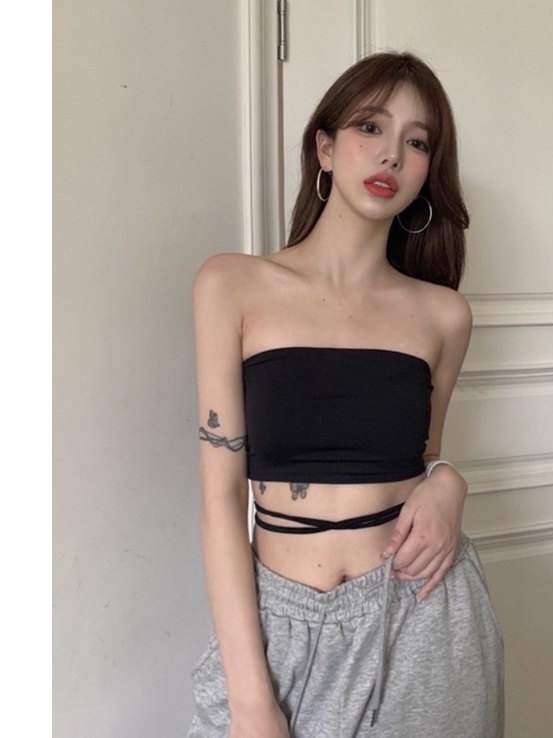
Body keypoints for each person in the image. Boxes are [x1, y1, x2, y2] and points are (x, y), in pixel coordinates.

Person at [187, 51, 504, 738]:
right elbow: (220, 498)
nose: (392, 153)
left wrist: (450, 482)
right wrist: (251, 701)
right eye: (370, 126)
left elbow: (424, 455)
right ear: (324, 148)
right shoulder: (231, 286)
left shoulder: (443, 314)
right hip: (277, 621)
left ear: (427, 171)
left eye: (417, 141)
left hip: (419, 616)